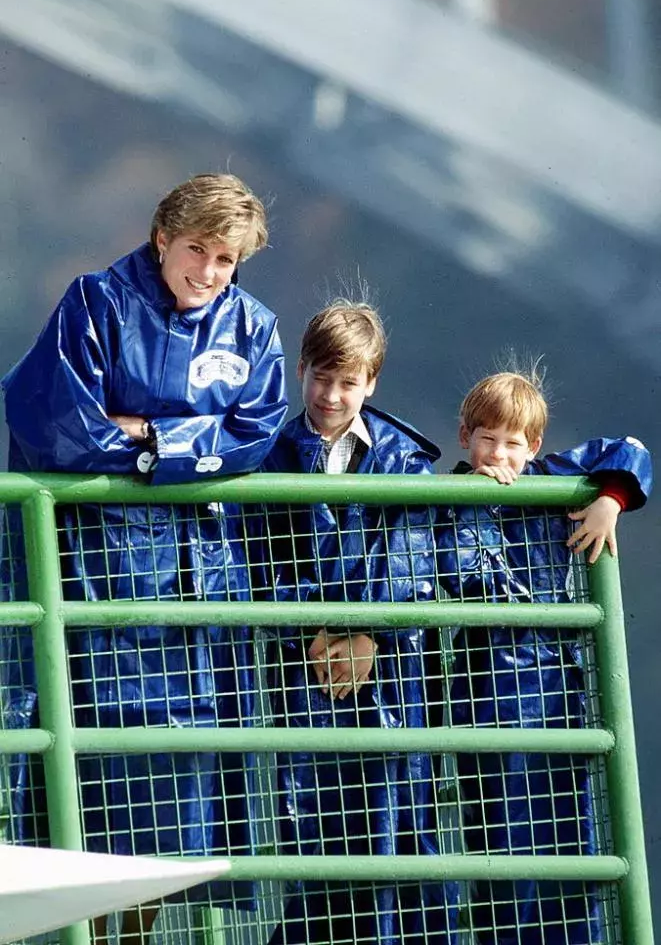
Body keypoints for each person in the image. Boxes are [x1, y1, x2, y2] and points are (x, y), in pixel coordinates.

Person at [1, 173, 288, 943]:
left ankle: (132, 935)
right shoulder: (95, 303)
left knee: (179, 797)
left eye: (227, 258)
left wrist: (151, 437)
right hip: (93, 578)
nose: (209, 272)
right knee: (80, 778)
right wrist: (189, 443)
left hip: (200, 598)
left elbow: (255, 433)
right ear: (163, 237)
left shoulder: (254, 328)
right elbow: (57, 425)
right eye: (197, 249)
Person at [260, 300, 457, 945]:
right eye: (321, 378)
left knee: (395, 814)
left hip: (391, 671)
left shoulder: (403, 462)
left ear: (371, 383)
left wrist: (373, 632)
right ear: (301, 372)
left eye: (348, 382)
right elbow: (260, 559)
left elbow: (412, 556)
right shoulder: (272, 458)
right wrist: (311, 631)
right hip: (308, 668)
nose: (331, 395)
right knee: (310, 817)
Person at [435, 369, 652, 945]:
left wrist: (609, 499)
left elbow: (629, 451)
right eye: (486, 438)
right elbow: (455, 571)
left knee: (566, 837)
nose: (498, 454)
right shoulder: (446, 498)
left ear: (533, 447)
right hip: (485, 700)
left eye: (512, 443)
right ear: (464, 437)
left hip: (558, 696)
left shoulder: (556, 480)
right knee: (497, 843)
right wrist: (479, 501)